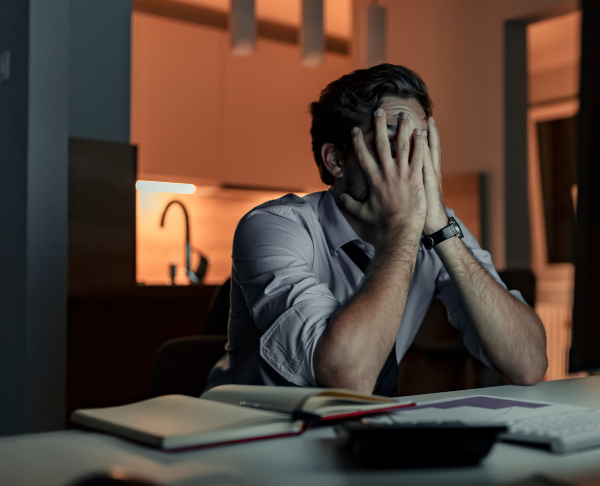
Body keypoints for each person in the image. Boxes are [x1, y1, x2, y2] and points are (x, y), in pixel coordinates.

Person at [205, 64, 548, 396]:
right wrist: (403, 225)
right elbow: (347, 379)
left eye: (422, 144)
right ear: (336, 160)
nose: (415, 164)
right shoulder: (273, 227)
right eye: (392, 143)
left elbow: (529, 364)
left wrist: (442, 230)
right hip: (251, 426)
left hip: (356, 427)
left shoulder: (436, 225)